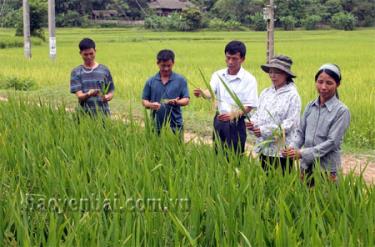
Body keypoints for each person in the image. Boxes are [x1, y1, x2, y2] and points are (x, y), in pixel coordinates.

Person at [282, 64, 350, 184]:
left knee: (325, 201)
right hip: (306, 166)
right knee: (305, 200)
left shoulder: (341, 111)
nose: (323, 87)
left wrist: (302, 153)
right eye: (320, 82)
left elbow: (332, 142)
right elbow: (300, 132)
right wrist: (292, 148)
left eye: (329, 83)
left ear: (338, 84)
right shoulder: (310, 106)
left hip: (327, 169)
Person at [194, 41, 258, 154]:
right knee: (218, 152)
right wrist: (203, 94)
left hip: (237, 122)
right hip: (219, 120)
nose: (230, 62)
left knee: (235, 155)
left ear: (242, 59)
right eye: (228, 58)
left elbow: (249, 106)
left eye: (234, 58)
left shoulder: (249, 79)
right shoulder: (218, 75)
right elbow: (211, 92)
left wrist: (232, 115)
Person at [247, 55, 301, 174]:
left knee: (281, 183)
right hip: (264, 147)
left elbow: (290, 124)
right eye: (271, 72)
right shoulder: (266, 92)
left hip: (281, 151)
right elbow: (258, 114)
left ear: (286, 74)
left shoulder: (292, 95)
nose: (273, 75)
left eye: (277, 72)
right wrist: (252, 124)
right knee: (265, 182)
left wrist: (263, 130)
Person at [142, 49, 190, 136]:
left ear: (173, 63)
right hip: (156, 125)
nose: (166, 68)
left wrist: (177, 102)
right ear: (157, 63)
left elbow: (186, 100)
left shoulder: (180, 80)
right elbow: (144, 101)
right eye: (163, 65)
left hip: (175, 125)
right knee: (156, 147)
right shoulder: (151, 81)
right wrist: (151, 105)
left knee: (176, 148)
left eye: (169, 65)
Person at [70, 38, 114, 116]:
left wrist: (108, 97)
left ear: (95, 51)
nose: (89, 57)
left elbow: (111, 91)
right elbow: (79, 96)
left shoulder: (104, 70)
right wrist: (89, 94)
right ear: (80, 53)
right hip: (84, 115)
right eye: (85, 54)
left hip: (104, 114)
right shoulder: (76, 72)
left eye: (91, 53)